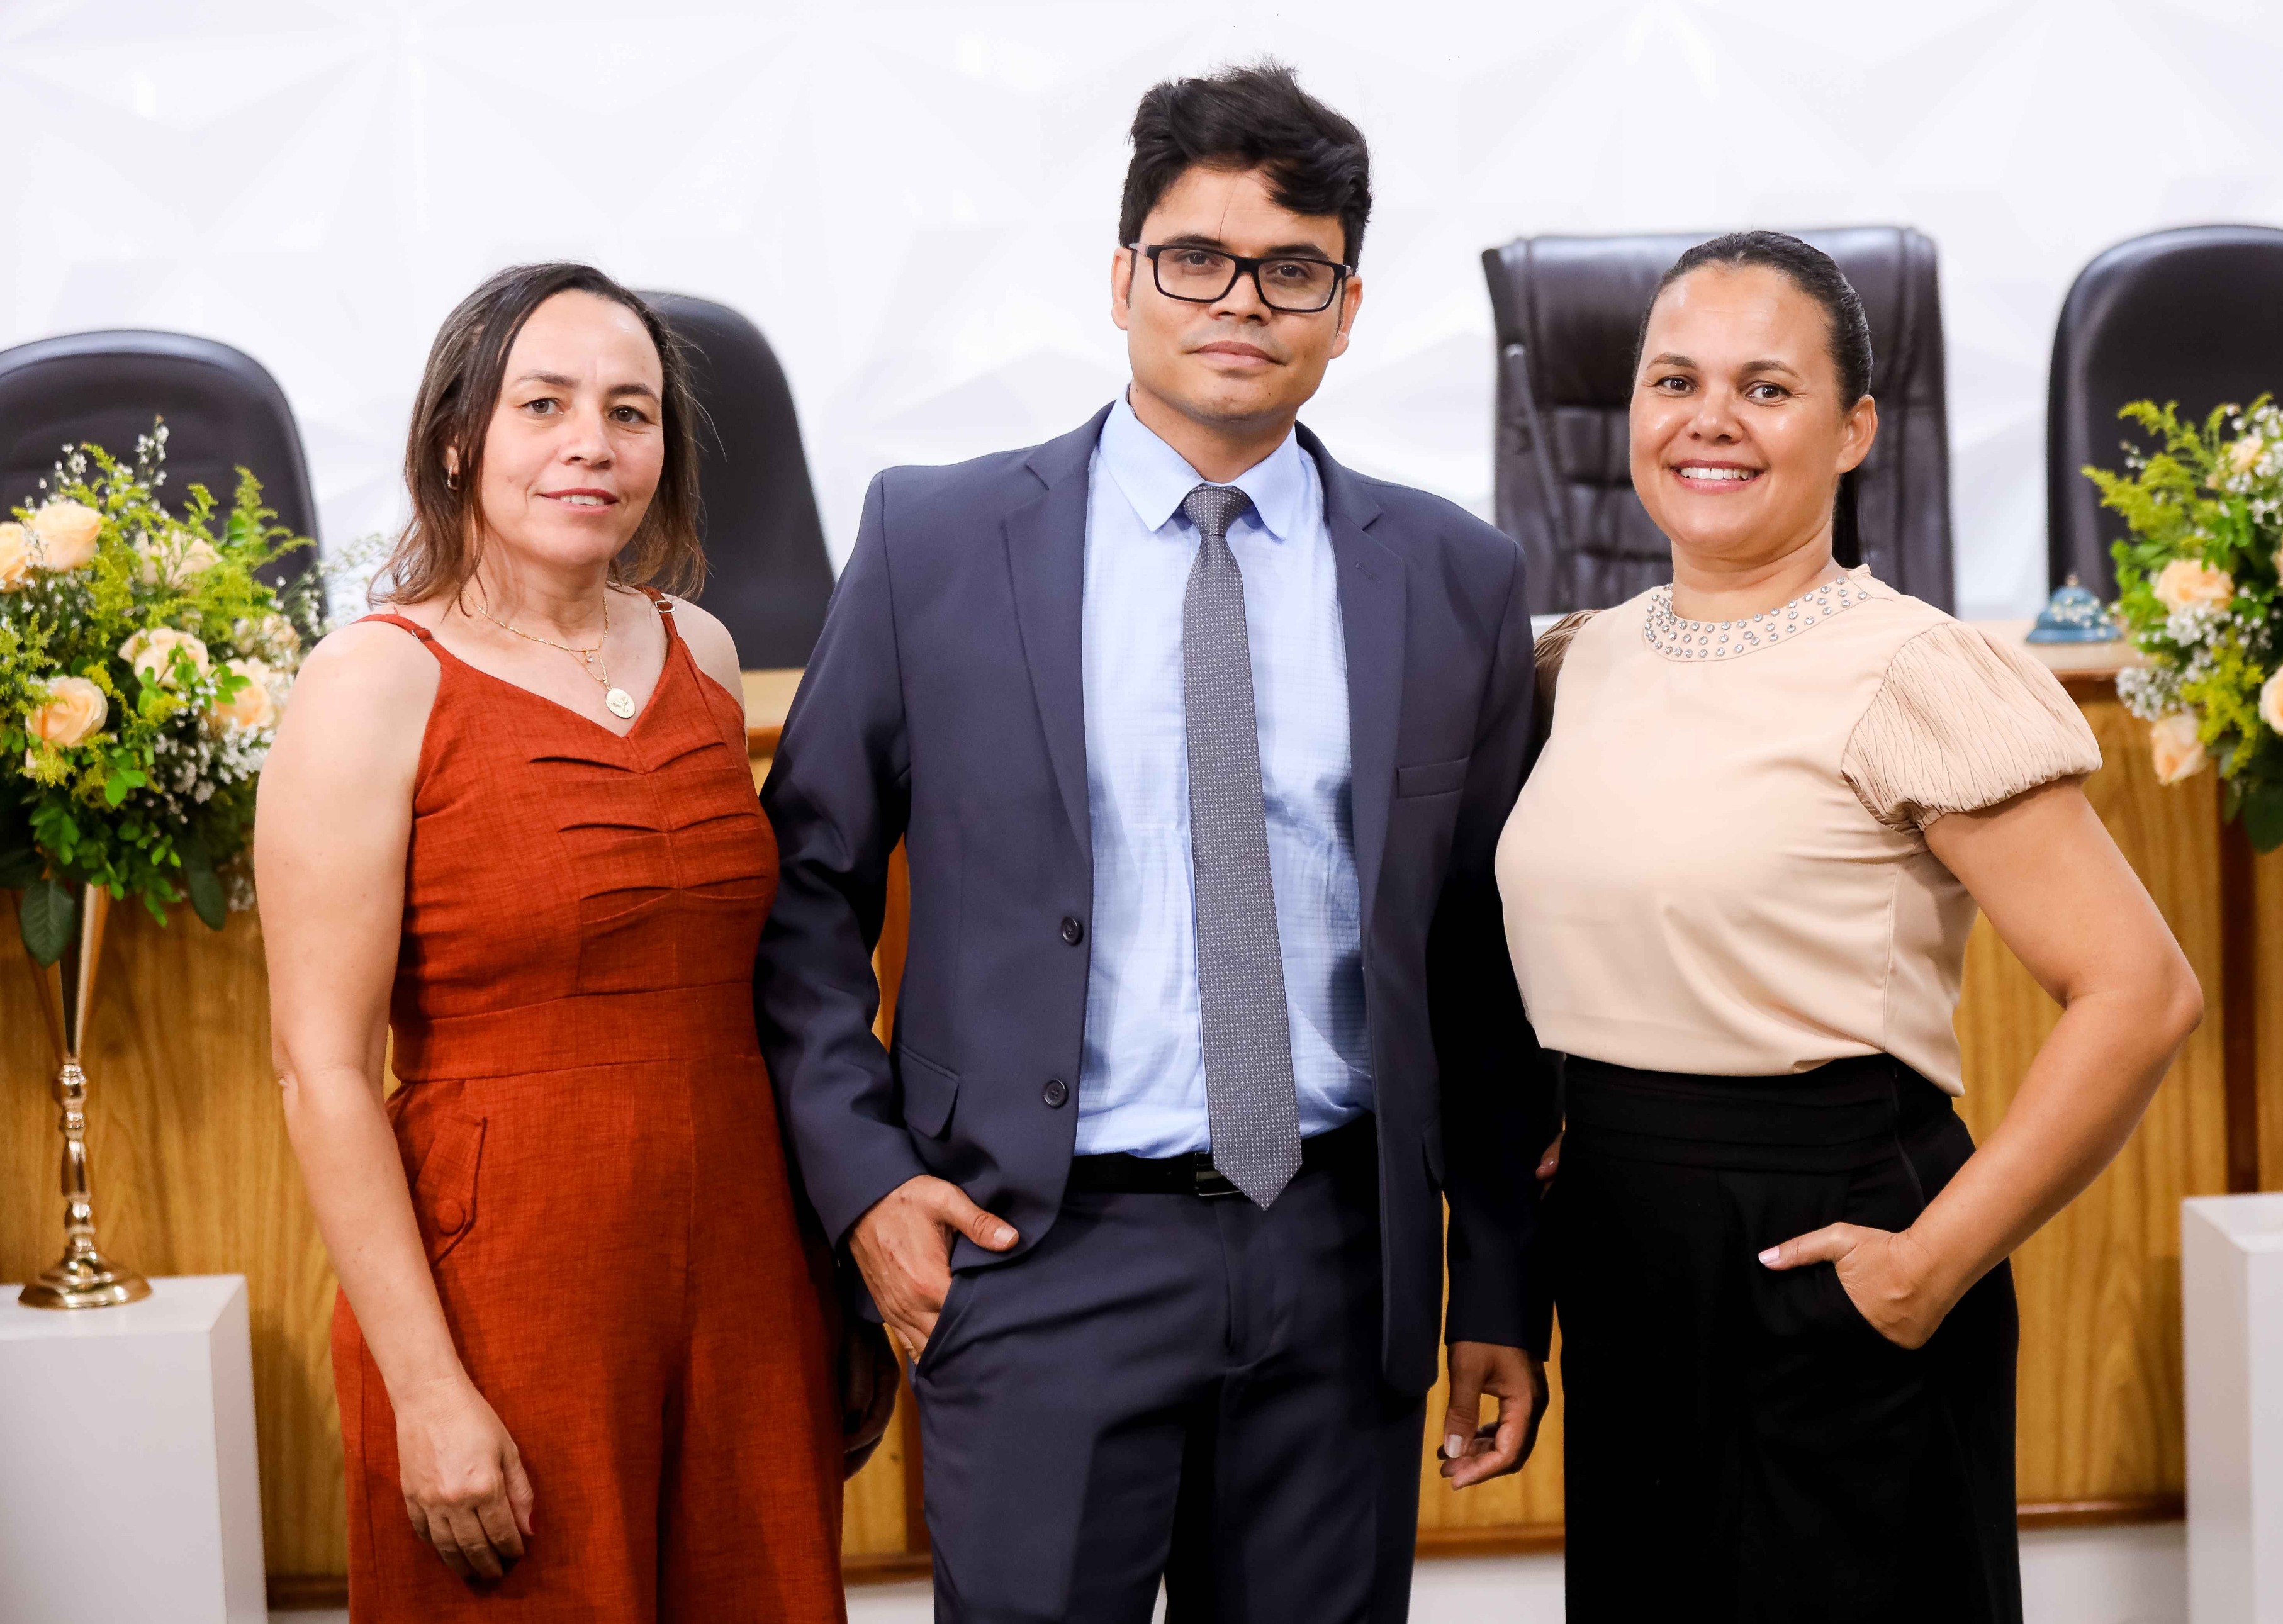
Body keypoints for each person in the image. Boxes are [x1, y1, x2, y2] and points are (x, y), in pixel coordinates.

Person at [757, 62, 1552, 1624]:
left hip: (1340, 1258)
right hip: (1036, 1249)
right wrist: (867, 1188)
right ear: (1122, 279)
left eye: (1292, 270)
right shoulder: (935, 542)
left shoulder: (1454, 578)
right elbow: (805, 894)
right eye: (1195, 258)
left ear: (1345, 309)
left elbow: (1484, 958)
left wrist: (1503, 1281)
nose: (1239, 301)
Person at [1499, 231, 2204, 1623]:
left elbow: (2138, 990)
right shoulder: (1571, 659)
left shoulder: (1911, 669)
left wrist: (1927, 1267)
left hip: (1828, 1240)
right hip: (1624, 1253)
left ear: (1855, 430)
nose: (1708, 419)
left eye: (1765, 388)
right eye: (1673, 381)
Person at [257, 262, 846, 1621]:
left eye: (630, 412)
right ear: (457, 439)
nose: (594, 442)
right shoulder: (373, 679)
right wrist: (427, 1388)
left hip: (744, 1265)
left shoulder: (704, 651)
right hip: (504, 1280)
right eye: (545, 405)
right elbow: (320, 1070)